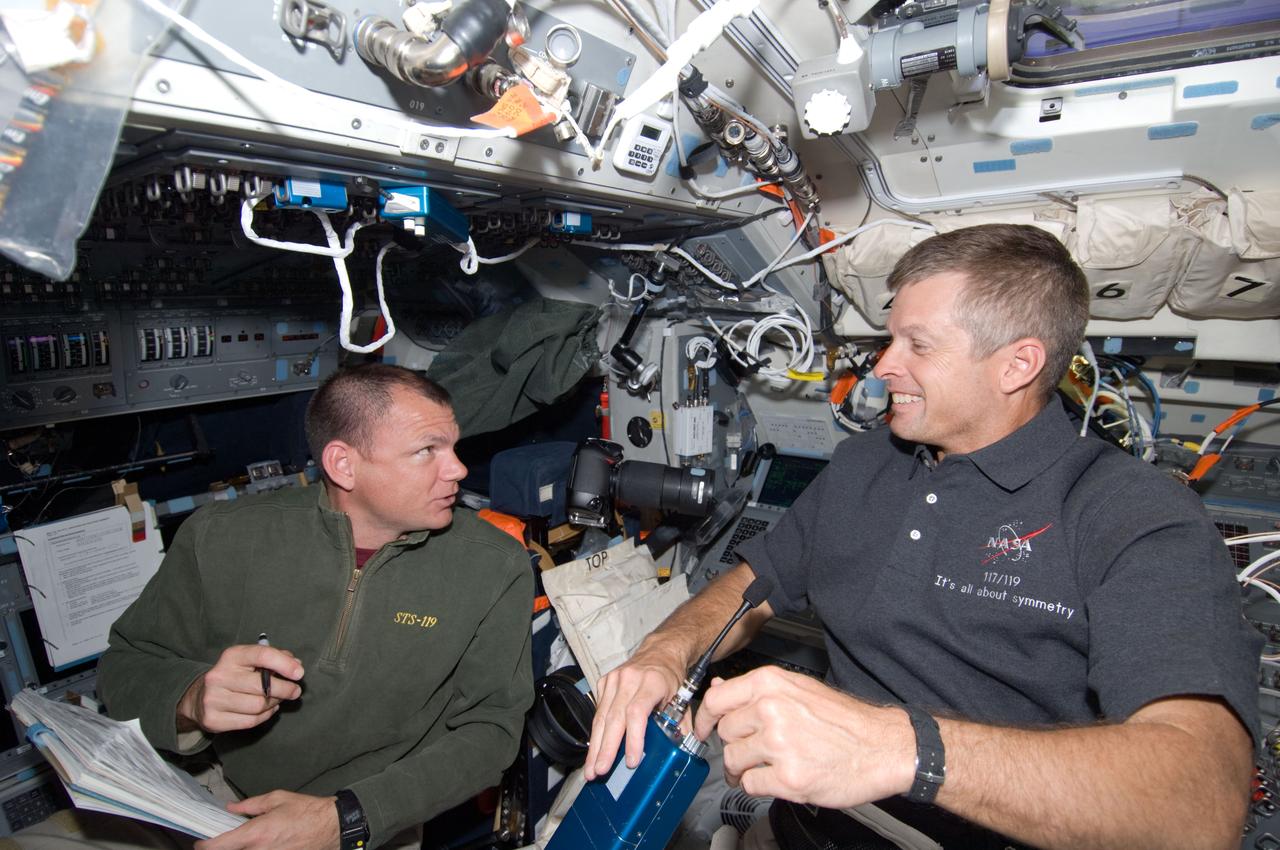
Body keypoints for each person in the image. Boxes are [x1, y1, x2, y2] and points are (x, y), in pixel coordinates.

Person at [585, 224, 1262, 849]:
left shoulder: (1135, 517)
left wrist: (901, 749)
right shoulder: (866, 462)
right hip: (804, 826)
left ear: (1016, 365)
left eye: (919, 345)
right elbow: (753, 584)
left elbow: (1202, 802)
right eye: (889, 339)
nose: (882, 367)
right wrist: (665, 654)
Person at [93, 363, 534, 850]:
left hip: (373, 816)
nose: (458, 469)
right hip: (217, 793)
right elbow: (124, 667)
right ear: (343, 464)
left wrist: (346, 818)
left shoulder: (495, 566)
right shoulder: (220, 536)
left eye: (452, 446)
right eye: (427, 450)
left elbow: (491, 729)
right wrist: (190, 700)